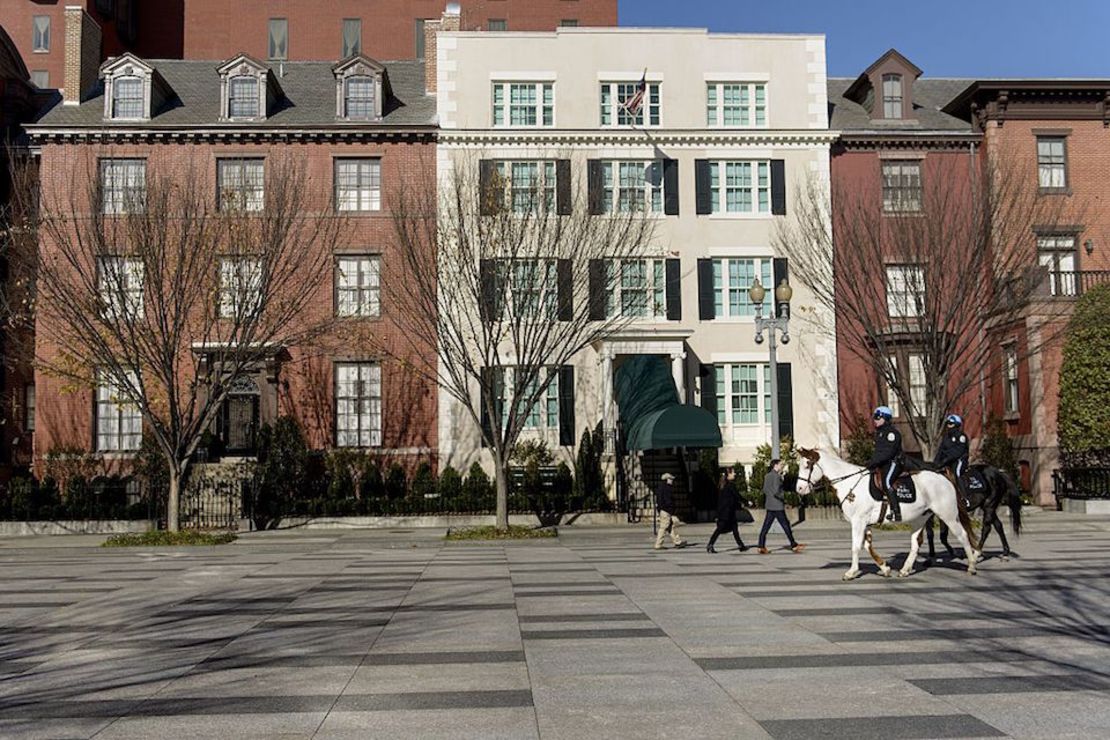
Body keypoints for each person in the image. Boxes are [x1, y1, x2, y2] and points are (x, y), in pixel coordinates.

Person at [757, 459, 806, 554]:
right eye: (780, 464)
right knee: (785, 525)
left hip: (770, 504)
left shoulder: (767, 476)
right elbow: (776, 491)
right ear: (775, 465)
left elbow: (765, 489)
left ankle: (761, 546)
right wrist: (784, 496)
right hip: (777, 505)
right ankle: (794, 545)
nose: (782, 466)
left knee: (766, 527)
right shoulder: (776, 476)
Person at [867, 405, 903, 522]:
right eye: (875, 417)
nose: (875, 420)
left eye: (878, 417)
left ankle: (896, 511)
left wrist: (874, 462)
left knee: (887, 482)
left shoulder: (892, 433)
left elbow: (888, 453)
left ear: (886, 418)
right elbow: (878, 452)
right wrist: (871, 462)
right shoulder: (879, 433)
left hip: (893, 462)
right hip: (882, 463)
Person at [707, 468, 749, 553]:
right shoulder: (730, 485)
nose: (734, 474)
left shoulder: (722, 485)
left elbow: (731, 498)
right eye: (733, 473)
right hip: (727, 512)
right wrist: (747, 502)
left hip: (725, 511)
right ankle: (710, 544)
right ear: (728, 475)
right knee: (720, 529)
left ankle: (741, 545)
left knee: (734, 529)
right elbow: (737, 496)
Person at [653, 472, 686, 550]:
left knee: (670, 526)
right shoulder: (667, 488)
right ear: (667, 479)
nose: (672, 481)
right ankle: (658, 544)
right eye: (671, 479)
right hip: (666, 510)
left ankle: (677, 542)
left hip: (662, 510)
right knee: (663, 527)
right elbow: (668, 500)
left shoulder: (660, 487)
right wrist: (671, 509)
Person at [933, 414, 970, 483]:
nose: (948, 426)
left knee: (957, 474)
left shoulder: (961, 437)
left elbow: (958, 452)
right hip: (946, 461)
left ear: (956, 425)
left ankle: (962, 492)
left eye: (951, 424)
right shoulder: (946, 437)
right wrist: (936, 463)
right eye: (947, 423)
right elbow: (940, 450)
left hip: (959, 461)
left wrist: (946, 459)